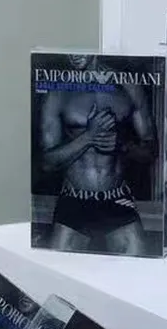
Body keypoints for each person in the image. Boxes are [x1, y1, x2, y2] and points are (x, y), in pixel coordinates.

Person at [39, 54, 156, 254]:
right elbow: (47, 163)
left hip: (116, 198)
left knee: (138, 267)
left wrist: (122, 145)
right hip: (74, 199)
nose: (74, 55)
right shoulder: (58, 93)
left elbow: (151, 152)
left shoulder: (127, 87)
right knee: (56, 269)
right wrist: (88, 137)